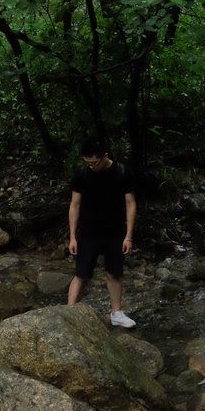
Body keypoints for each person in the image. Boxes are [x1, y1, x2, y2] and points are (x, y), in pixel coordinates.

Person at [67, 137, 137, 328]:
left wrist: (128, 236)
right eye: (87, 163)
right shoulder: (82, 174)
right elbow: (75, 205)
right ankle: (68, 314)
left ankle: (116, 314)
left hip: (115, 233)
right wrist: (72, 237)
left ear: (105, 156)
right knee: (81, 275)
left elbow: (130, 204)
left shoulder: (122, 172)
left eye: (94, 163)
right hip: (88, 233)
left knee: (114, 274)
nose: (91, 166)